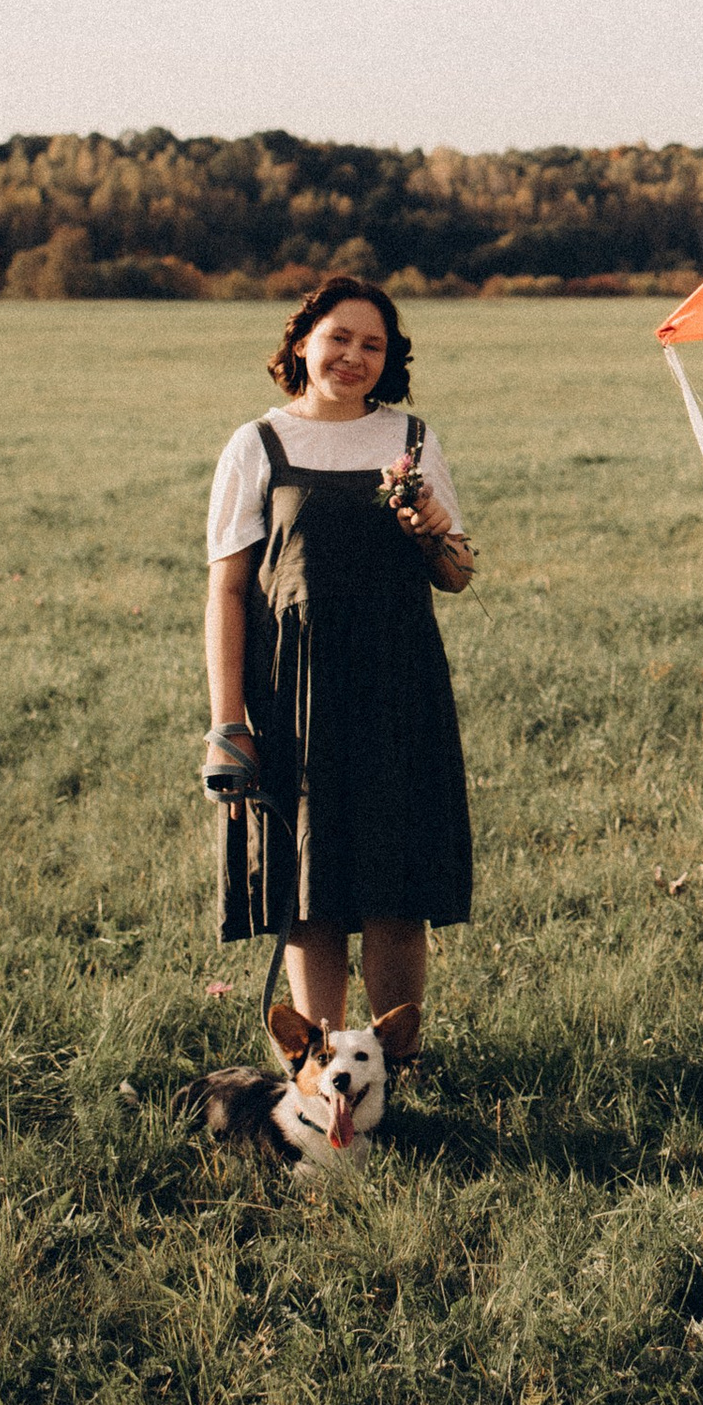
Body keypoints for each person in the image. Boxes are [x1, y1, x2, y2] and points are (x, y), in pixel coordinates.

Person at [201, 276, 476, 1061]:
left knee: (397, 887)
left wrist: (437, 528)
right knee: (309, 893)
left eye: (372, 345)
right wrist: (229, 723)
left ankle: (396, 1067)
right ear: (301, 342)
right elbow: (226, 589)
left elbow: (456, 575)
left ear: (389, 362)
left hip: (399, 685)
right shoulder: (257, 444)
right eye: (338, 337)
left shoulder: (412, 440)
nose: (353, 355)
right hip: (293, 693)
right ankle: (317, 1072)